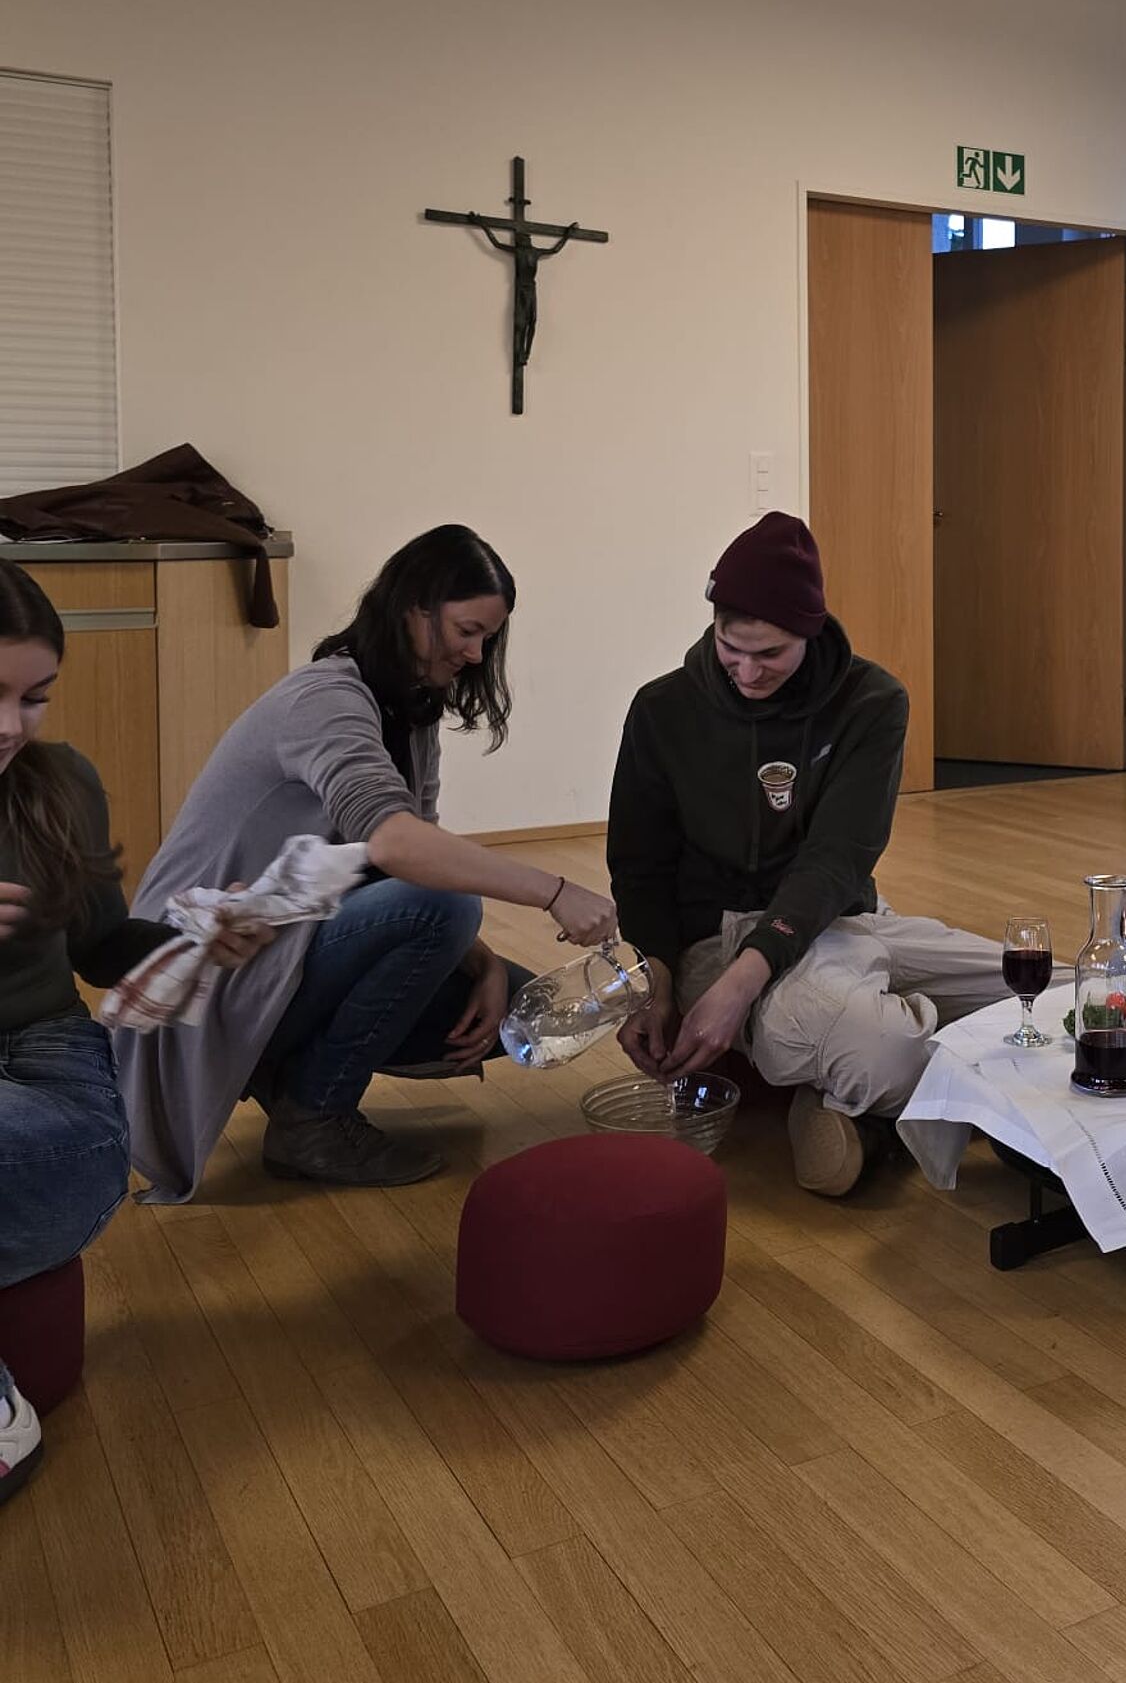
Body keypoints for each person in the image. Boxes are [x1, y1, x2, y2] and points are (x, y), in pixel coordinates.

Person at [113, 526, 617, 1198]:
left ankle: (287, 1075)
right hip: (208, 971)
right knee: (446, 909)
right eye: (467, 631)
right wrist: (554, 892)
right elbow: (395, 846)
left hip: (282, 942)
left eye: (488, 638)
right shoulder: (325, 699)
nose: (476, 654)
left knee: (510, 1004)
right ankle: (311, 1116)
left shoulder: (411, 710)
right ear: (413, 609)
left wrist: (487, 964)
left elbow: (414, 858)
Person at [607, 512, 1004, 1196]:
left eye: (770, 654)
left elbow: (836, 859)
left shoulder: (872, 701)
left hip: (841, 918)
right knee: (885, 1053)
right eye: (731, 648)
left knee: (1061, 992)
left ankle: (846, 1095)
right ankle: (885, 1068)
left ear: (810, 631)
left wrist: (744, 988)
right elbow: (639, 869)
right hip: (719, 936)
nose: (747, 671)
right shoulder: (662, 710)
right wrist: (659, 981)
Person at [0, 566, 270, 1504]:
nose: (10, 725)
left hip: (45, 1065)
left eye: (34, 697)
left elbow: (103, 947)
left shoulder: (62, 783)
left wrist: (199, 940)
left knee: (78, 1155)